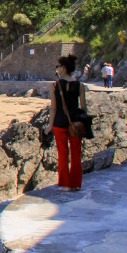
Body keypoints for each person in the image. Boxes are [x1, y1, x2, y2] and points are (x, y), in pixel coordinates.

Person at [44, 55, 87, 192]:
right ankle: (75, 184)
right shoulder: (80, 86)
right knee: (76, 154)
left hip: (59, 123)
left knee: (62, 154)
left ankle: (65, 184)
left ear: (63, 68)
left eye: (58, 67)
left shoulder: (54, 86)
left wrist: (50, 125)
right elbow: (84, 107)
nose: (57, 69)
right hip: (75, 123)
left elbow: (54, 108)